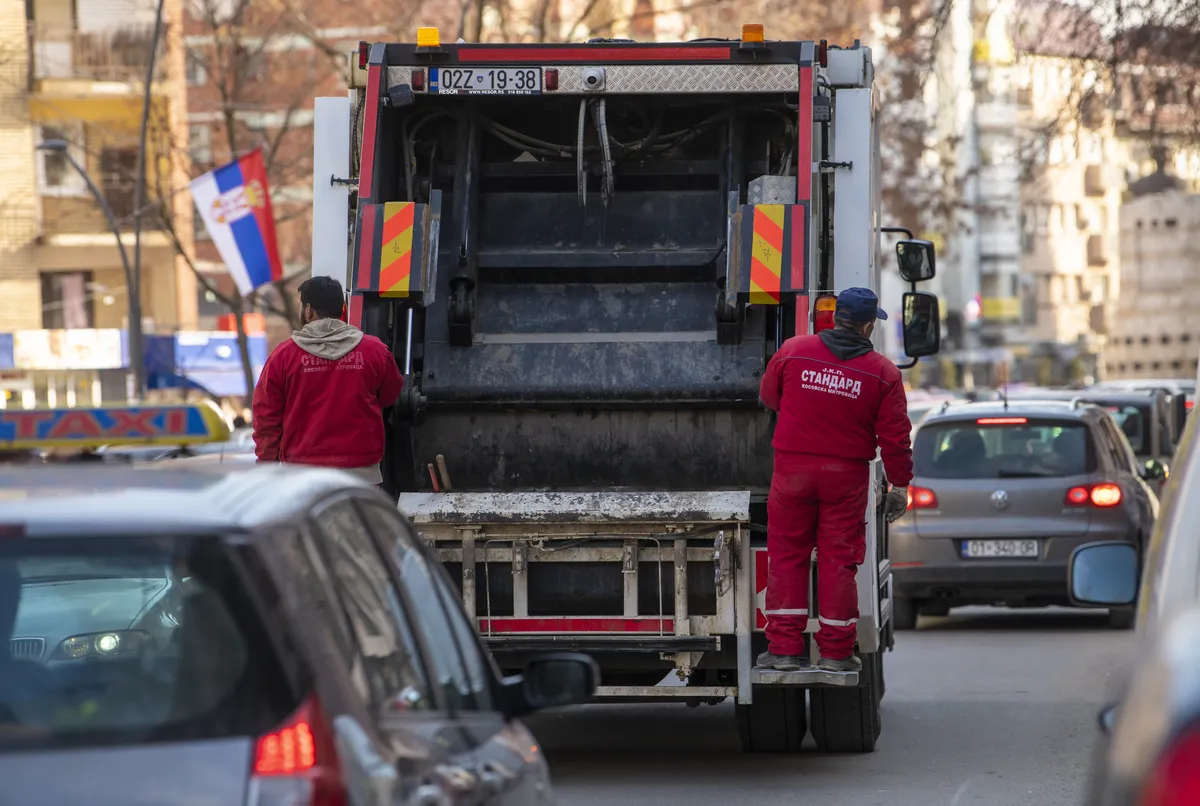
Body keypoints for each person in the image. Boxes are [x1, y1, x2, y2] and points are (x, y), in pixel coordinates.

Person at [756, 287, 913, 673]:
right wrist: (901, 485)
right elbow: (895, 438)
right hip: (846, 478)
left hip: (793, 472)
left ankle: (785, 651)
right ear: (867, 326)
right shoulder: (883, 373)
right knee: (838, 562)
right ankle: (836, 655)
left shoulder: (794, 351)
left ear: (834, 316)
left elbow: (769, 397)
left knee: (788, 556)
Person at [252, 276, 404, 486]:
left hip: (302, 476)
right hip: (362, 476)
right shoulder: (375, 351)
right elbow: (390, 395)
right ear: (343, 308)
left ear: (308, 310)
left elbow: (266, 418)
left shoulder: (283, 357)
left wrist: (267, 468)